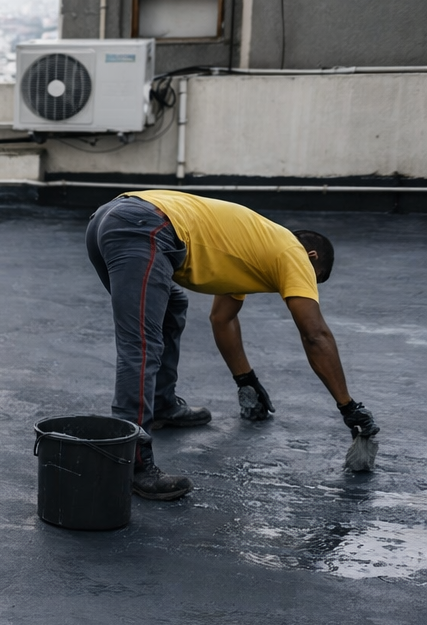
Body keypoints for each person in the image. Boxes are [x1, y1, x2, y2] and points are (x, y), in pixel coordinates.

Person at [85, 189, 378, 501]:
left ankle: (161, 404)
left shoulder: (254, 247)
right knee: (140, 344)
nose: (305, 284)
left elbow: (222, 319)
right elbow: (315, 335)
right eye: (312, 278)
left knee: (172, 307)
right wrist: (349, 406)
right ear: (312, 258)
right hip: (142, 227)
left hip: (111, 218)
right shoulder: (293, 252)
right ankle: (132, 463)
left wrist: (246, 382)